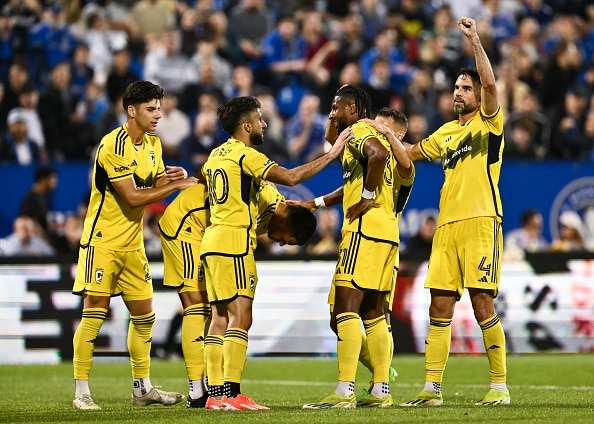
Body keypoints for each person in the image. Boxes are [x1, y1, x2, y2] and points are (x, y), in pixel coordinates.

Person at [200, 95, 348, 411]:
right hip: (234, 242)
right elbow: (292, 178)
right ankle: (231, 393)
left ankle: (214, 395)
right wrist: (333, 154)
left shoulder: (216, 156)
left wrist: (314, 204)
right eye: (261, 118)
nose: (265, 124)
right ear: (247, 125)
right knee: (242, 316)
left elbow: (282, 204)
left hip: (211, 241)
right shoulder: (247, 156)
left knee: (219, 317)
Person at [400, 17, 509, 407]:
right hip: (446, 227)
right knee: (439, 306)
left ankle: (499, 386)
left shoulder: (490, 122)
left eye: (466, 88)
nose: (459, 92)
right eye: (456, 88)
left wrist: (475, 39)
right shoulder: (445, 133)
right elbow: (410, 153)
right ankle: (432, 389)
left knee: (482, 303)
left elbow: (493, 84)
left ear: (479, 96)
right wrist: (379, 133)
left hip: (481, 221)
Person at [71, 80, 198, 411]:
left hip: (133, 244)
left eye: (159, 108)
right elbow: (131, 196)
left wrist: (174, 178)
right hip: (103, 242)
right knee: (94, 314)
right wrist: (176, 187)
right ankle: (81, 391)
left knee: (145, 317)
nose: (158, 114)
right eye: (151, 108)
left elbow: (152, 185)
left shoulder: (153, 144)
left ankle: (142, 389)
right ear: (132, 110)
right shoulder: (112, 145)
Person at [159, 180, 318, 408]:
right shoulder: (264, 194)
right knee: (198, 307)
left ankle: (213, 391)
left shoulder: (276, 210)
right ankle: (199, 392)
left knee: (217, 314)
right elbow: (224, 172)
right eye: (285, 239)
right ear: (284, 221)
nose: (281, 243)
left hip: (210, 236)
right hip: (187, 223)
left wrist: (319, 202)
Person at [298, 105, 413, 409]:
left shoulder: (385, 152)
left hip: (364, 232)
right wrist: (317, 202)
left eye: (383, 127)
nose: (374, 128)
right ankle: (381, 388)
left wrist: (366, 197)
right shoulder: (396, 168)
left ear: (398, 135)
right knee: (374, 313)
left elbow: (376, 157)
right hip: (388, 236)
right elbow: (351, 179)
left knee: (344, 310)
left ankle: (344, 390)